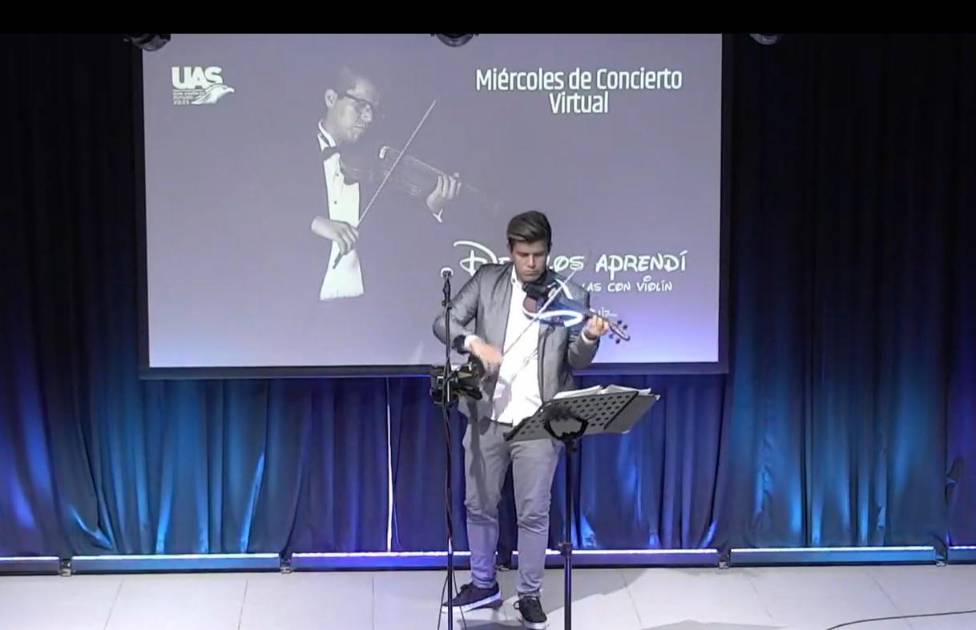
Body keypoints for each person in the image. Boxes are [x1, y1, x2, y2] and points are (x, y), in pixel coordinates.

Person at [432, 210, 610, 629]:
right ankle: (483, 584)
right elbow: (444, 322)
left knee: (533, 513)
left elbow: (576, 359)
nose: (532, 264)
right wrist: (474, 342)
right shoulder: (487, 281)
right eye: (524, 254)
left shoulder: (570, 294)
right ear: (510, 250)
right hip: (486, 415)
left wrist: (589, 336)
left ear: (549, 252)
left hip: (540, 421)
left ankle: (529, 594)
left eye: (539, 255)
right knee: (478, 505)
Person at [311, 66, 459, 300]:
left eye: (373, 109)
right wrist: (314, 223)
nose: (368, 118)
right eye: (361, 105)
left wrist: (432, 205)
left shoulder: (374, 166)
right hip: (300, 305)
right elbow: (263, 213)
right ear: (331, 98)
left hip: (363, 305)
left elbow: (400, 233)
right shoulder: (289, 155)